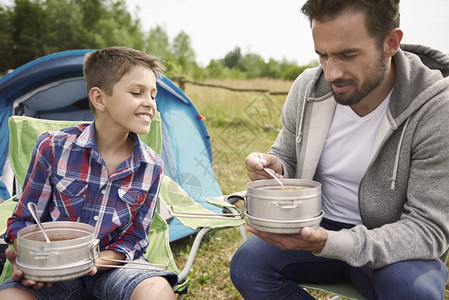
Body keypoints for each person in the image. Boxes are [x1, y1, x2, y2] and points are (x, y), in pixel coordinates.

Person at [230, 1, 449, 299]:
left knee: (413, 292)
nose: (331, 73)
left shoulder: (436, 108)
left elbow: (428, 228)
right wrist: (277, 168)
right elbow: (287, 156)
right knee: (248, 266)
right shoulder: (308, 87)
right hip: (316, 226)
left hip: (393, 242)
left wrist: (332, 243)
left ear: (390, 43)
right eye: (323, 55)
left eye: (348, 55)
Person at [0, 46, 177, 300]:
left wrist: (92, 261)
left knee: (157, 292)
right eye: (137, 93)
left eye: (153, 94)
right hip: (54, 271)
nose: (149, 102)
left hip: (112, 269)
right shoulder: (52, 147)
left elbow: (135, 238)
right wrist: (30, 257)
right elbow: (23, 221)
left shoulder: (151, 166)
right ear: (99, 99)